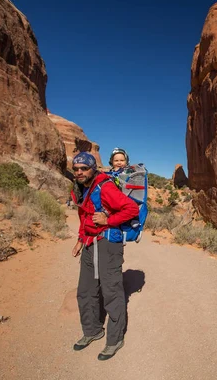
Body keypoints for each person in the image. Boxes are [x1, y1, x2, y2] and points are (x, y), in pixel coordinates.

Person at [70, 152, 139, 360]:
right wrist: (80, 239)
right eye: (76, 169)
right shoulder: (82, 189)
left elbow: (131, 208)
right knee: (85, 291)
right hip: (91, 243)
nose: (80, 172)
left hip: (109, 242)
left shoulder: (104, 186)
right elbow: (85, 216)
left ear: (93, 168)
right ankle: (92, 330)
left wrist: (108, 219)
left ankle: (115, 339)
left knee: (112, 292)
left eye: (84, 168)